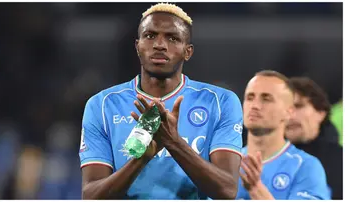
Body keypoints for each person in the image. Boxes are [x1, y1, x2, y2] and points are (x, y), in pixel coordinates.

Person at [79, 3, 243, 199]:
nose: (159, 45)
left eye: (172, 38)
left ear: (187, 52)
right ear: (137, 46)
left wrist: (173, 142)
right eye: (150, 36)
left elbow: (227, 191)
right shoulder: (102, 105)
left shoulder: (220, 102)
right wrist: (141, 159)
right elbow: (91, 196)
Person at [236, 70, 330, 200]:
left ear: (289, 112)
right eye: (250, 97)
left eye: (266, 99)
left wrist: (256, 189)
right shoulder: (226, 164)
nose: (255, 105)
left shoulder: (305, 167)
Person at [285, 77, 343, 199]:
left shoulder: (340, 160)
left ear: (321, 113)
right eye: (286, 108)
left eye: (298, 106)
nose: (290, 115)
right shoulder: (262, 157)